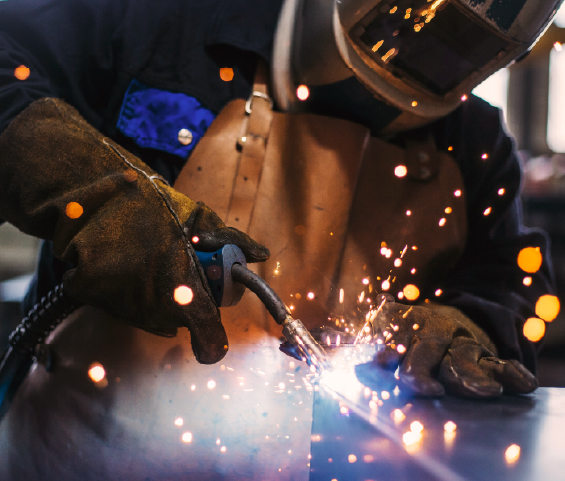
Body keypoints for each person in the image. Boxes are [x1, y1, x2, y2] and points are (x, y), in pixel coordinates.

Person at [0, 0, 559, 478]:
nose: (418, 57)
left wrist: (467, 324)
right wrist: (96, 194)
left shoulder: (474, 144)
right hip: (76, 453)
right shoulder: (166, 25)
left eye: (458, 50)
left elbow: (508, 285)